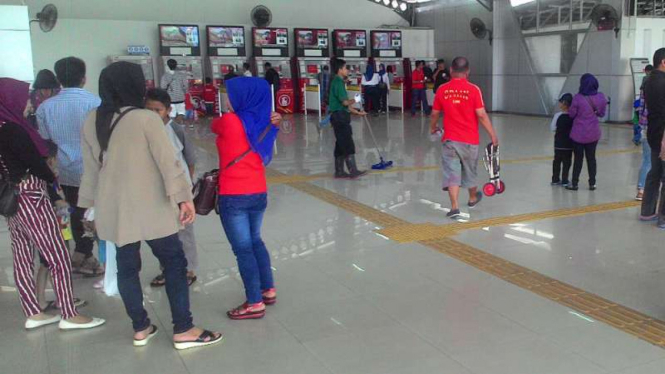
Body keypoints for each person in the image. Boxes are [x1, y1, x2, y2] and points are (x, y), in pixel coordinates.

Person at [79, 62, 222, 349]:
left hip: (115, 210)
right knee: (174, 263)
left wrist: (89, 207)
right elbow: (168, 164)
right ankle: (184, 329)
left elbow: (91, 170)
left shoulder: (92, 119)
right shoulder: (146, 119)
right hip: (152, 207)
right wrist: (184, 198)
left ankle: (141, 328)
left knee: (127, 268)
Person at [0, 78, 105, 331]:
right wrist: (52, 180)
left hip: (11, 199)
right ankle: (69, 313)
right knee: (57, 255)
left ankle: (33, 312)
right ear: (10, 99)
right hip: (31, 195)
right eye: (24, 97)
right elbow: (37, 165)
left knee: (23, 256)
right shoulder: (14, 130)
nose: (28, 103)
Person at [211, 77, 280, 320]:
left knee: (243, 249)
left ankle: (254, 303)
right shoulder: (268, 120)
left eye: (229, 94)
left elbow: (213, 126)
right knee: (255, 241)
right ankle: (267, 289)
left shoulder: (229, 120)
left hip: (234, 195)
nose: (226, 99)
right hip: (258, 192)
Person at [36, 56, 104, 276]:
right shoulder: (96, 103)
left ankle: (74, 252)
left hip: (62, 170)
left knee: (68, 210)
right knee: (90, 212)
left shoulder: (45, 107)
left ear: (58, 79)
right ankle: (84, 253)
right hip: (91, 169)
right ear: (84, 78)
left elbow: (45, 137)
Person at [429, 56, 498, 219]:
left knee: (452, 173)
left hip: (450, 139)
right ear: (468, 72)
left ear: (451, 70)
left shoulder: (442, 89)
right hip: (469, 140)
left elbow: (434, 113)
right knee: (470, 170)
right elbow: (481, 114)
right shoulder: (474, 90)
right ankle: (473, 198)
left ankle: (454, 207)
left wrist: (433, 128)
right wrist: (493, 135)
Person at [144, 88, 199, 287]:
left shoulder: (176, 129)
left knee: (184, 230)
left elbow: (190, 160)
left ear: (168, 110)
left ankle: (189, 269)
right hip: (157, 190)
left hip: (180, 190)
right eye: (148, 109)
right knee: (163, 233)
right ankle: (167, 270)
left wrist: (186, 188)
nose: (153, 114)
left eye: (157, 110)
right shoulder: (145, 131)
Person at [565, 74, 607, 191]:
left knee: (578, 159)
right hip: (593, 133)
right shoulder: (601, 97)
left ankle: (574, 183)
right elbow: (602, 114)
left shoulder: (577, 98)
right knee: (591, 158)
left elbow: (571, 114)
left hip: (578, 134)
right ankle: (592, 183)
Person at [329, 58, 368, 179]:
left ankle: (339, 171)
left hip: (338, 115)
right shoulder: (339, 82)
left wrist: (357, 112)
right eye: (345, 68)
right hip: (340, 117)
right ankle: (353, 170)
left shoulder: (336, 81)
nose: (347, 70)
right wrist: (356, 100)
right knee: (347, 143)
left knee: (340, 145)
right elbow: (345, 103)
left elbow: (344, 105)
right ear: (340, 69)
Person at [641, 48, 665, 223]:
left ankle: (647, 211)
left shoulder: (649, 80)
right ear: (663, 61)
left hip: (654, 132)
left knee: (654, 173)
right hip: (664, 135)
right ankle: (663, 218)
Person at [636, 66, 653, 201]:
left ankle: (641, 190)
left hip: (646, 128)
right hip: (658, 129)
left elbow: (641, 110)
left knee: (647, 160)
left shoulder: (645, 85)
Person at [550, 93, 574, 186]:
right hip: (568, 144)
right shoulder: (573, 116)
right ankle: (565, 180)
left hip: (558, 144)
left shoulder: (558, 115)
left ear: (564, 103)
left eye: (560, 102)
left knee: (557, 161)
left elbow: (552, 128)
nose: (559, 104)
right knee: (567, 162)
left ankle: (555, 179)